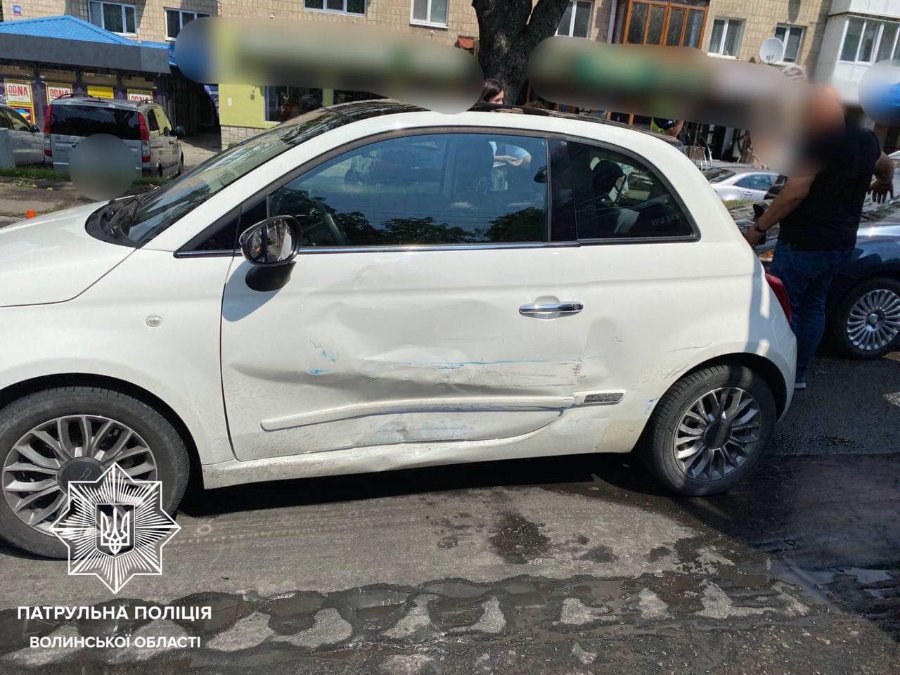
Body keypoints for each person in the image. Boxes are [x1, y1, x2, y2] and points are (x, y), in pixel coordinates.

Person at [744, 87, 895, 390]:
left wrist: (759, 228)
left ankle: (777, 375)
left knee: (785, 307)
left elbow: (795, 191)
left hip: (804, 243)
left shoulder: (815, 140)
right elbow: (886, 165)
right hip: (840, 243)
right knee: (814, 306)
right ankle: (798, 374)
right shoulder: (865, 139)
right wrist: (884, 181)